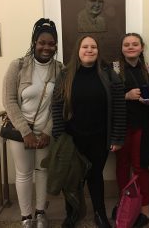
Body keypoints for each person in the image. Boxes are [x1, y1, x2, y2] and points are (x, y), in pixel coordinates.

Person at [51, 35, 126, 228]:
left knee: (95, 176)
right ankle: (73, 214)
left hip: (99, 138)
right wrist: (59, 135)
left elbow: (119, 107)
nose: (89, 50)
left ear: (98, 51)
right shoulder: (65, 75)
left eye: (93, 46)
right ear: (78, 50)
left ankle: (99, 214)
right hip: (71, 139)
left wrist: (117, 137)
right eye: (85, 46)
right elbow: (56, 105)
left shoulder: (109, 74)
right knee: (73, 179)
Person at [2, 18, 63, 228]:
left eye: (51, 43)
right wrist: (25, 132)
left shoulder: (59, 69)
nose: (46, 47)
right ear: (34, 42)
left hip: (45, 132)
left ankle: (40, 213)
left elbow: (60, 103)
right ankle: (26, 216)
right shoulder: (18, 66)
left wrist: (47, 131)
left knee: (42, 171)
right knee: (24, 173)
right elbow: (9, 100)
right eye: (42, 42)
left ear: (56, 45)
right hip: (22, 131)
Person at [112, 33, 149, 227]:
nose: (131, 47)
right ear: (122, 48)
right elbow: (107, 96)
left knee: (140, 166)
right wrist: (126, 95)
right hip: (121, 126)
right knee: (122, 165)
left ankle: (145, 206)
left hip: (143, 126)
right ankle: (124, 200)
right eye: (127, 44)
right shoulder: (113, 70)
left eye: (135, 44)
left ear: (142, 47)